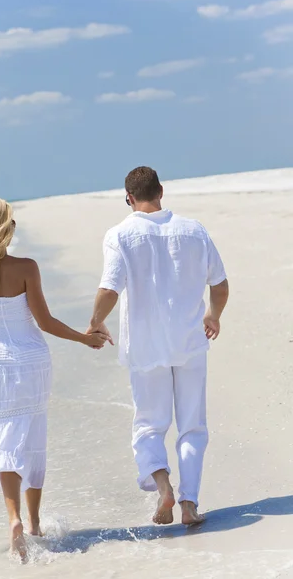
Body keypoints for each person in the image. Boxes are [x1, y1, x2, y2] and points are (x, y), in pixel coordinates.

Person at [0, 198, 108, 560]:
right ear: (2, 229)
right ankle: (34, 523)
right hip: (31, 362)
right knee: (31, 436)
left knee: (4, 442)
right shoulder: (26, 267)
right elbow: (45, 322)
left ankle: (15, 518)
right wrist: (85, 338)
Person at [86, 167, 229, 526]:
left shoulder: (120, 234)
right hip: (191, 342)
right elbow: (221, 284)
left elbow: (109, 289)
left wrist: (94, 323)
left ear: (129, 198)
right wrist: (213, 316)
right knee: (192, 425)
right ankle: (190, 503)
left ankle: (163, 483)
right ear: (161, 191)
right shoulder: (194, 229)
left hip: (146, 346)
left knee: (149, 425)